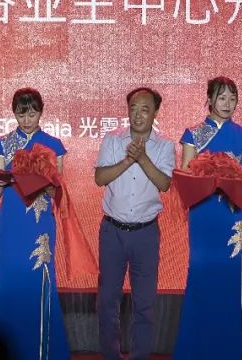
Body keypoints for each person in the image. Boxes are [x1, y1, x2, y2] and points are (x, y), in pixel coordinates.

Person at [173, 77, 242, 360]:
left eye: (232, 98)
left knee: (234, 281)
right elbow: (184, 176)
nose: (227, 104)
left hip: (234, 215)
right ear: (210, 99)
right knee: (203, 279)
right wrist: (209, 177)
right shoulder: (194, 134)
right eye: (222, 97)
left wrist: (234, 178)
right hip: (204, 216)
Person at [0, 88, 70, 358]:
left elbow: (57, 191)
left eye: (32, 113)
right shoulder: (3, 143)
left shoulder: (53, 144)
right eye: (21, 114)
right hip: (11, 223)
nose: (26, 120)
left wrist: (44, 183)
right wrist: (1, 181)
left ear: (41, 112)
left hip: (39, 224)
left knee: (38, 282)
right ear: (14, 113)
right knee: (8, 281)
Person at [95, 87, 174, 360]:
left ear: (155, 113)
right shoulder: (112, 140)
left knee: (145, 304)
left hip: (145, 233)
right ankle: (111, 355)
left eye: (145, 109)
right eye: (133, 109)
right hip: (112, 231)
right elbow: (100, 178)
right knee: (107, 301)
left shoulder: (165, 146)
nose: (138, 115)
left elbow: (164, 183)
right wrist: (129, 160)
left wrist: (143, 158)